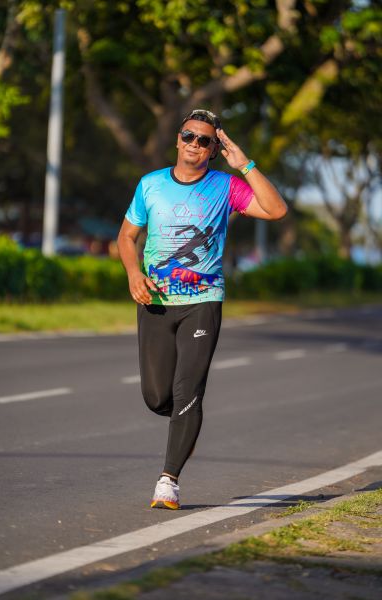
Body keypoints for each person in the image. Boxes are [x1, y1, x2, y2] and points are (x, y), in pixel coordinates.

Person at [117, 109, 287, 509]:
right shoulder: (150, 184)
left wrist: (244, 164)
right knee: (157, 397)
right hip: (155, 301)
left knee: (187, 390)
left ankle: (168, 480)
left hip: (203, 301)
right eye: (189, 136)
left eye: (205, 140)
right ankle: (185, 422)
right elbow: (126, 236)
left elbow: (276, 210)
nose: (195, 144)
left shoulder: (225, 187)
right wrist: (133, 273)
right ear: (177, 139)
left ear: (213, 150)